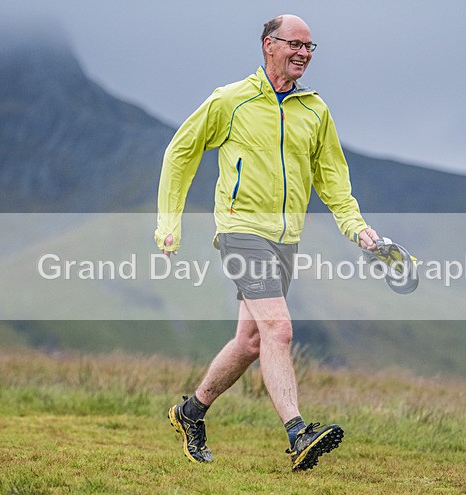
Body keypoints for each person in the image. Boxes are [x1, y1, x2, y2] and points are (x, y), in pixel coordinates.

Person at [155, 14, 380, 471]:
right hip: (241, 231)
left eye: (310, 47)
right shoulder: (230, 100)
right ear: (268, 45)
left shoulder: (316, 111)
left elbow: (333, 178)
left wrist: (355, 226)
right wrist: (168, 222)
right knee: (279, 328)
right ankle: (299, 433)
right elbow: (181, 151)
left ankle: (191, 412)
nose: (303, 53)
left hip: (286, 237)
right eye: (295, 44)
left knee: (252, 340)